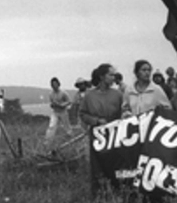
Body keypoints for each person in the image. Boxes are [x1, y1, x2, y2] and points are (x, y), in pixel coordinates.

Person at [80, 64, 124, 195]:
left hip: (116, 132)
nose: (113, 77)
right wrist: (97, 121)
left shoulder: (117, 94)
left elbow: (124, 111)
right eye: (110, 75)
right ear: (102, 76)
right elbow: (83, 114)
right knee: (98, 163)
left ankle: (119, 189)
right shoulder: (89, 95)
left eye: (114, 75)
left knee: (117, 161)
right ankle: (100, 192)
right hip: (98, 134)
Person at [45, 77, 71, 142]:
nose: (54, 86)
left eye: (55, 84)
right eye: (53, 85)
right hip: (55, 112)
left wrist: (62, 104)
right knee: (52, 125)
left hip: (63, 111)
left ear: (58, 84)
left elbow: (69, 101)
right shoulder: (50, 94)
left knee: (66, 126)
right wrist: (52, 105)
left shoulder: (63, 93)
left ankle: (70, 138)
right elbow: (51, 103)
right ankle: (48, 140)